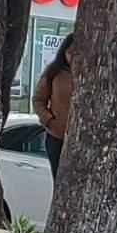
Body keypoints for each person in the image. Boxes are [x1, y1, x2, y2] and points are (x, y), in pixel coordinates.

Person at [32, 33, 74, 177]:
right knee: (60, 181)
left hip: (80, 140)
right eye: (70, 52)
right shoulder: (53, 71)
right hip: (56, 138)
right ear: (64, 52)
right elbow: (38, 99)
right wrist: (48, 120)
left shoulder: (93, 74)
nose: (73, 57)